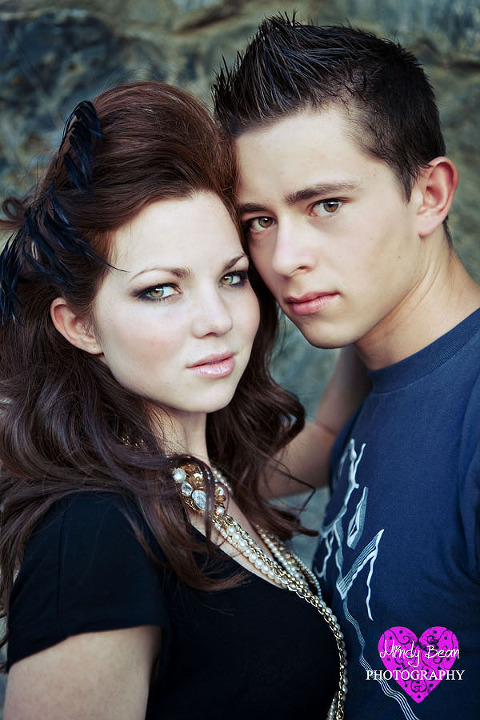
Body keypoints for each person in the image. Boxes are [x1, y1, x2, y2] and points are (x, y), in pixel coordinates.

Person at [0, 80, 359, 719]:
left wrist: (378, 318)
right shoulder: (90, 536)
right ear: (80, 325)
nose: (216, 319)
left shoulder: (207, 479)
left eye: (232, 277)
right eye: (161, 289)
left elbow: (327, 435)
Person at [213, 14, 480, 719]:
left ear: (429, 195)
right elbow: (296, 464)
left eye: (325, 204)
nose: (282, 259)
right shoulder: (375, 366)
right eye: (259, 220)